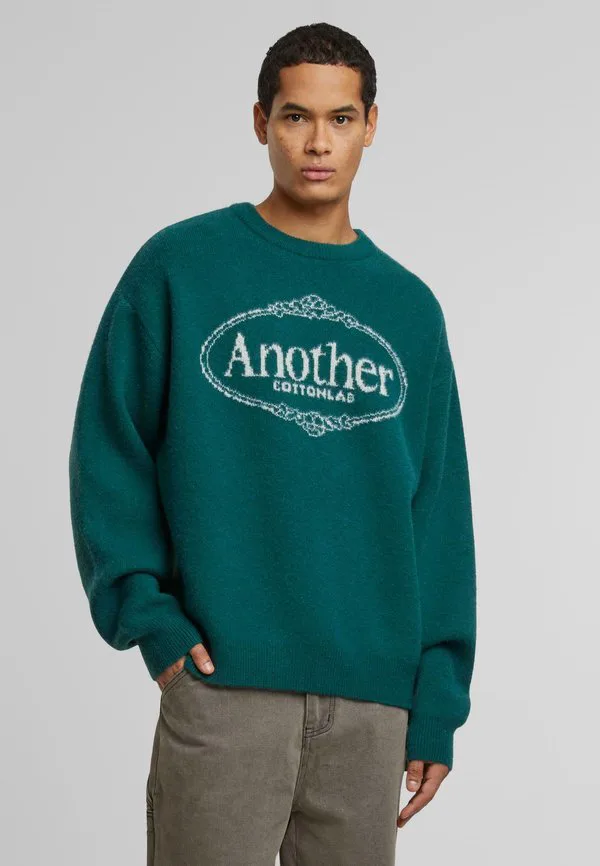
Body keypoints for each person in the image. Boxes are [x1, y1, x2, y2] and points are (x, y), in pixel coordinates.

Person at [68, 21, 477, 866]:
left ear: (371, 125)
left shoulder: (409, 309)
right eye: (296, 116)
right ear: (261, 122)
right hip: (226, 689)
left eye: (340, 118)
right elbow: (109, 449)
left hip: (372, 707)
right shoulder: (181, 267)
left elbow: (438, 510)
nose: (318, 143)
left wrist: (436, 698)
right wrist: (152, 622)